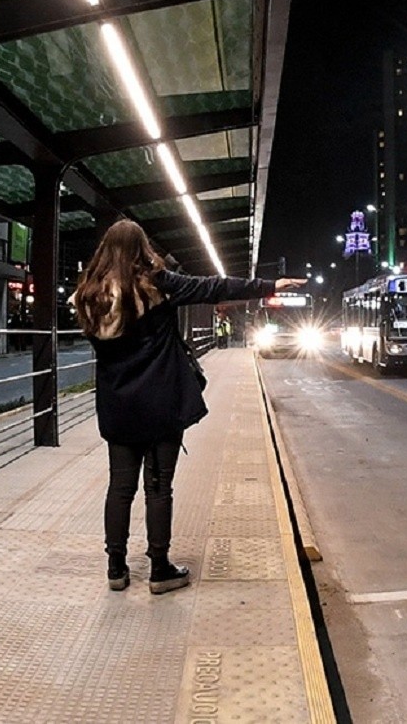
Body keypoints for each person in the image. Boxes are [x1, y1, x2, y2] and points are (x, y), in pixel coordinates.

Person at [72, 219, 306, 594]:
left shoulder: (89, 295)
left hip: (117, 404)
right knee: (159, 486)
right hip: (162, 400)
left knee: (120, 486)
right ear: (140, 248)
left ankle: (116, 568)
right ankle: (159, 569)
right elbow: (211, 287)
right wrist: (267, 286)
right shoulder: (155, 283)